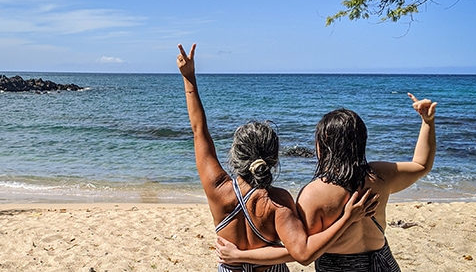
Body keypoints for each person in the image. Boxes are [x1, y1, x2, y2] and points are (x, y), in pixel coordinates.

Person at [176, 43, 379, 272]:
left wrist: (189, 78)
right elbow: (301, 252)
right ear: (273, 158)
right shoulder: (279, 201)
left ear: (235, 153)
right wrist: (347, 218)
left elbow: (198, 130)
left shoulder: (218, 189)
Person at [215, 93, 437, 271]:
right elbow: (421, 165)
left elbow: (301, 252)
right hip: (382, 261)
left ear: (324, 144)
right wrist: (427, 123)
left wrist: (240, 256)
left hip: (337, 266)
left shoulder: (314, 194)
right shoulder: (381, 175)